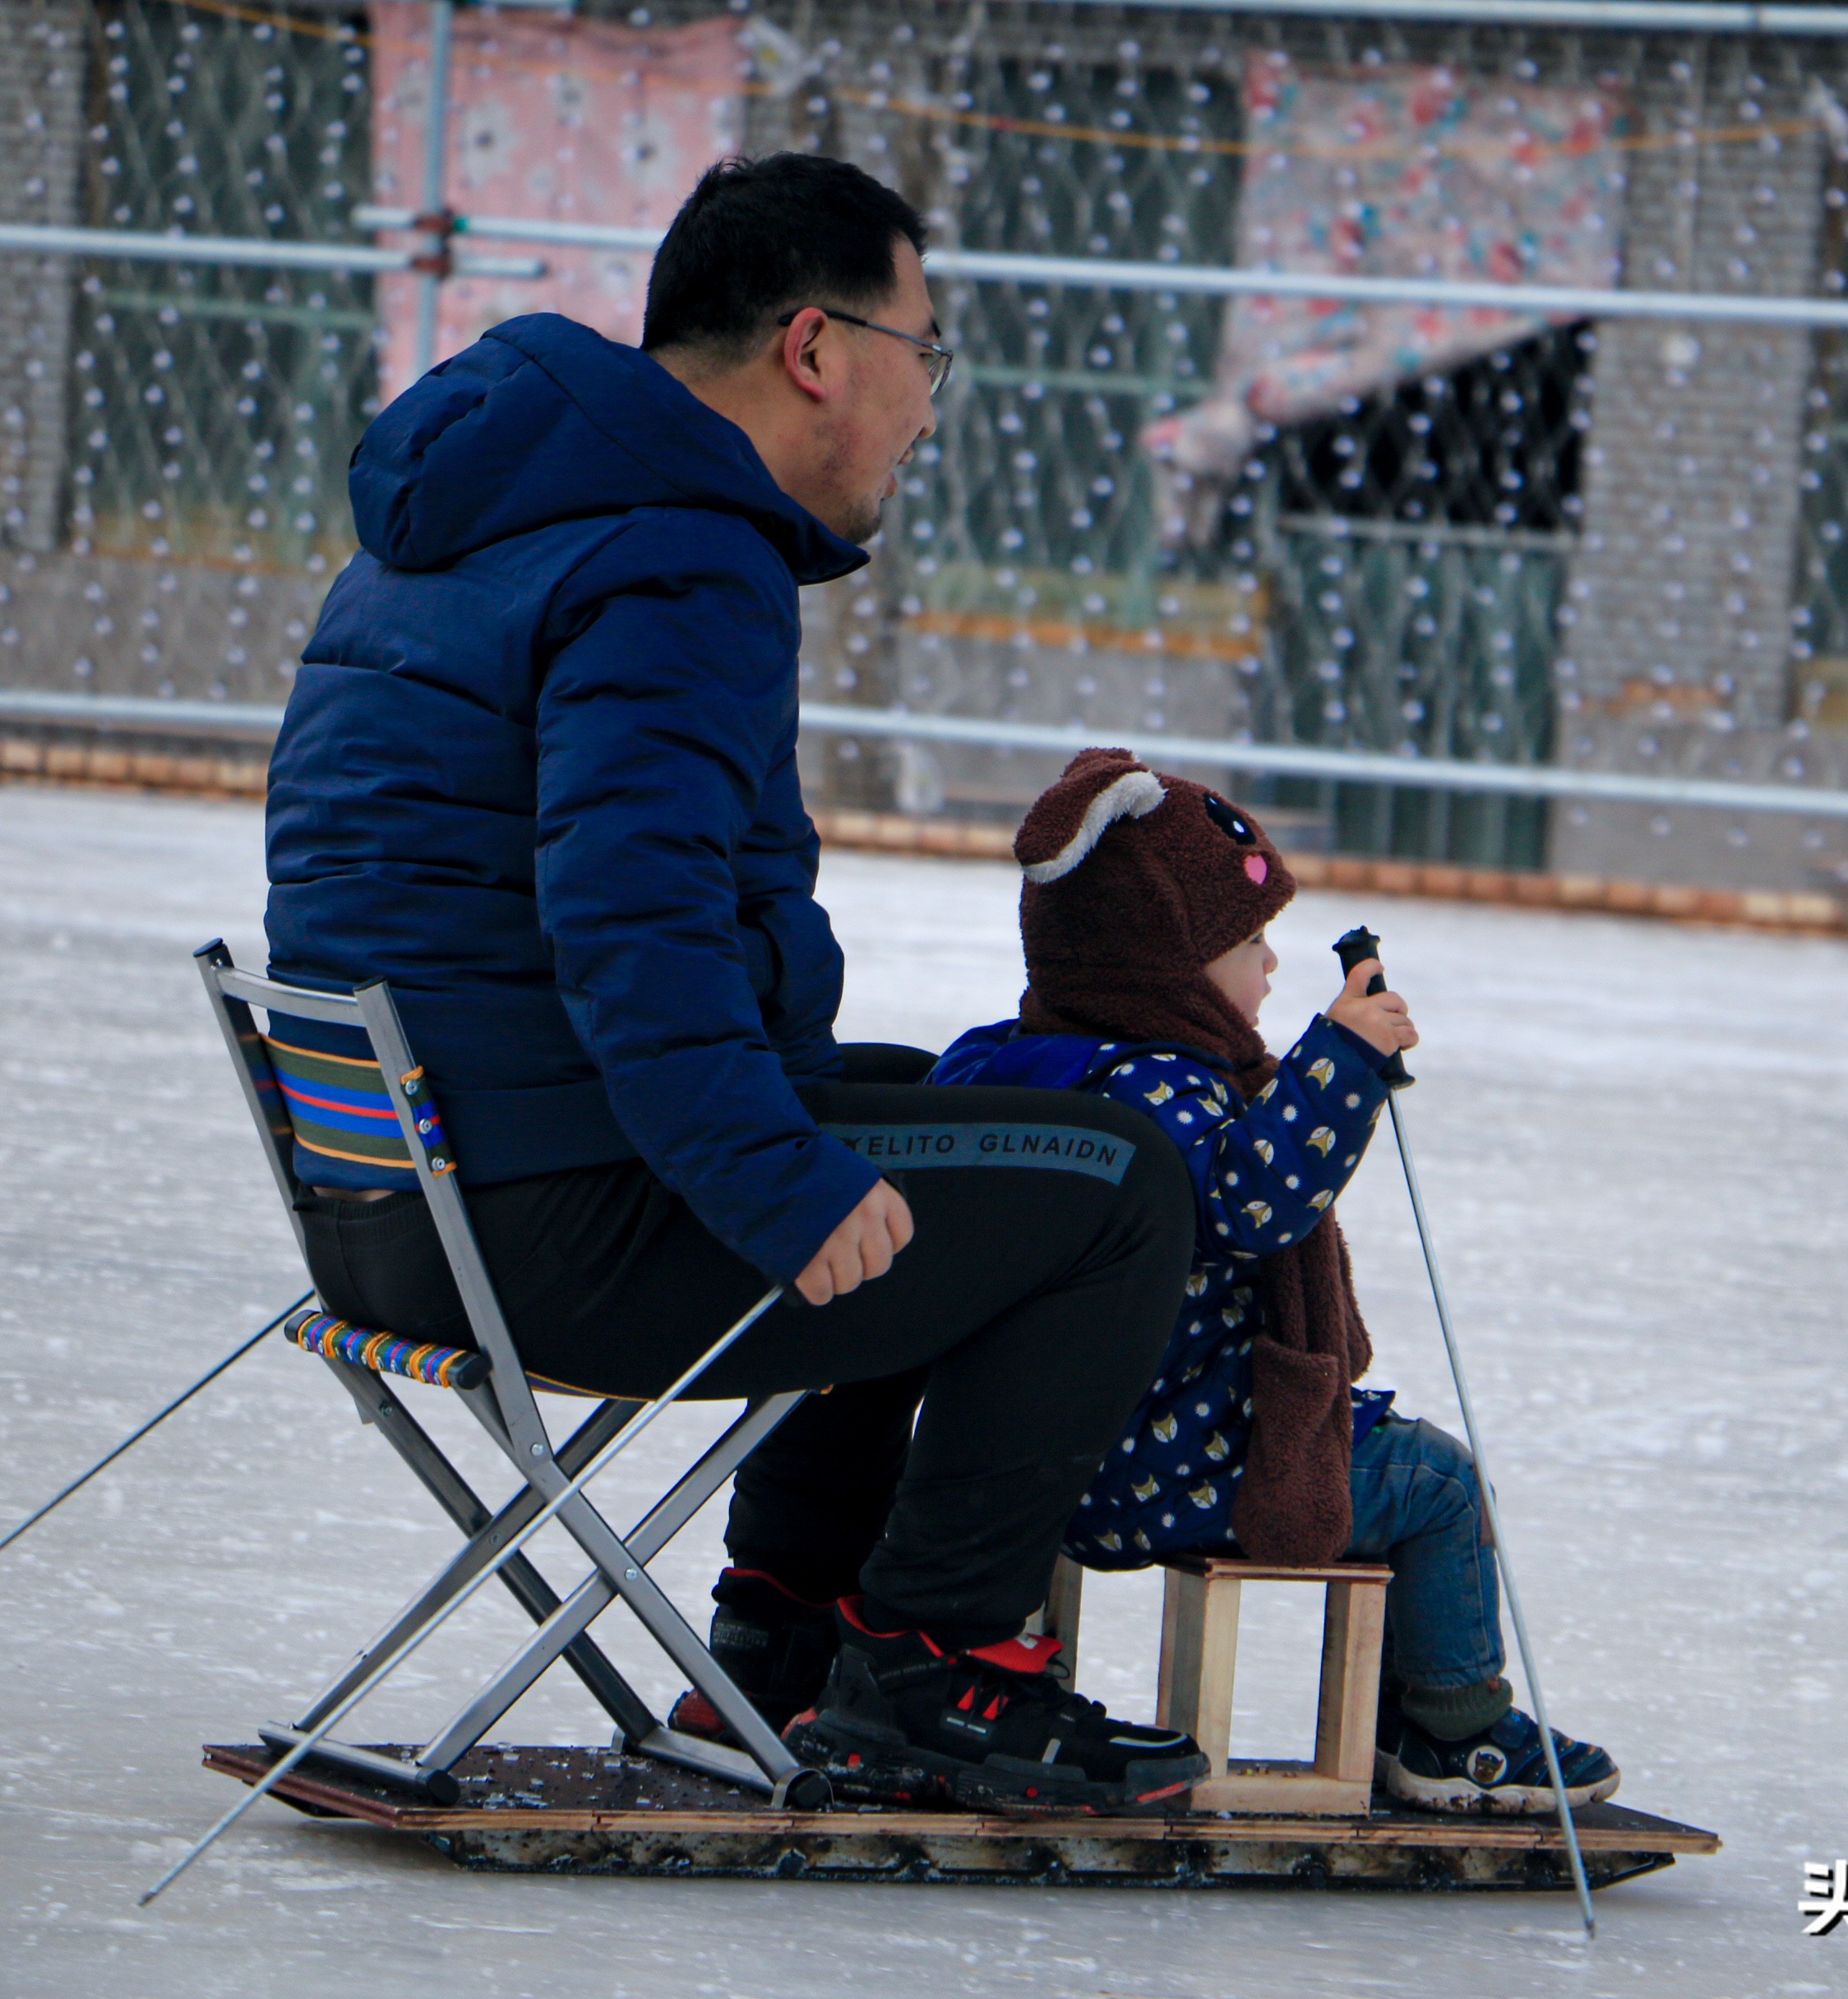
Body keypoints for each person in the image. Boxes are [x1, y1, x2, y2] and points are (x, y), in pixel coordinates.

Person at [262, 155, 1209, 1814]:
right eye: (926, 350)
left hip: (400, 1197)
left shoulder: (488, 519)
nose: (931, 407)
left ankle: (785, 1629)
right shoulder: (680, 561)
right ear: (816, 347)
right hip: (551, 1223)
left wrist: (793, 1131)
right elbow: (632, 926)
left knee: (943, 1103)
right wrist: (777, 1179)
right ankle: (937, 1669)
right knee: (1122, 1186)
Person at [911, 748, 1624, 1817]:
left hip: (1021, 1467)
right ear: (1165, 967)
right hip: (1177, 1460)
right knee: (1435, 1483)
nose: (1273, 965)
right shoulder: (1157, 1089)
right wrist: (1341, 1062)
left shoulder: (1006, 1062)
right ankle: (1454, 1731)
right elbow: (1250, 1202)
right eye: (1250, 944)